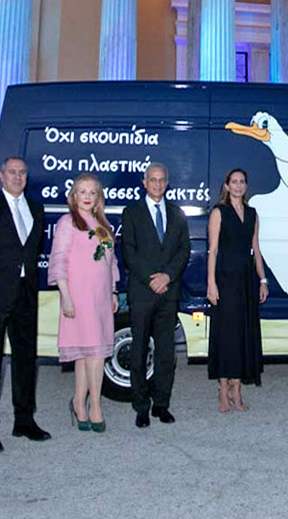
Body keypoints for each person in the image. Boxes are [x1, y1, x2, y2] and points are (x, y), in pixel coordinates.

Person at [0, 156, 49, 452]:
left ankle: (24, 420)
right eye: (12, 172)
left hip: (25, 295)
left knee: (26, 359)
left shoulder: (36, 208)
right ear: (1, 176)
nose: (18, 177)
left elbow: (31, 250)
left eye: (22, 173)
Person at [120, 162, 191, 428]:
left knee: (166, 352)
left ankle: (162, 404)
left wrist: (167, 277)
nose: (158, 184)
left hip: (168, 292)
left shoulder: (176, 213)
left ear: (167, 183)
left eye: (162, 180)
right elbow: (129, 251)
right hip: (142, 291)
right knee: (139, 351)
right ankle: (141, 407)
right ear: (144, 182)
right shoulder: (132, 212)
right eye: (153, 179)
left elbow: (183, 249)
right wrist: (152, 279)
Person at [50, 173, 120, 433]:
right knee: (94, 354)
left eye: (92, 192)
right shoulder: (67, 222)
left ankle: (79, 401)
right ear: (73, 196)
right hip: (78, 297)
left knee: (88, 353)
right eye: (83, 192)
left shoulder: (102, 224)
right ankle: (95, 407)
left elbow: (110, 261)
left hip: (100, 297)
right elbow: (58, 260)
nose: (87, 197)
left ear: (98, 197)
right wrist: (66, 297)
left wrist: (113, 291)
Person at [206, 168, 267, 412]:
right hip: (224, 278)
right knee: (226, 333)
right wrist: (211, 283)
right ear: (227, 186)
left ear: (246, 186)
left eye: (242, 181)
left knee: (243, 332)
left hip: (246, 279)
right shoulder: (219, 212)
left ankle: (237, 387)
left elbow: (256, 249)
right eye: (234, 182)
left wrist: (263, 280)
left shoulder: (252, 214)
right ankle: (223, 388)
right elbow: (212, 250)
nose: (238, 185)